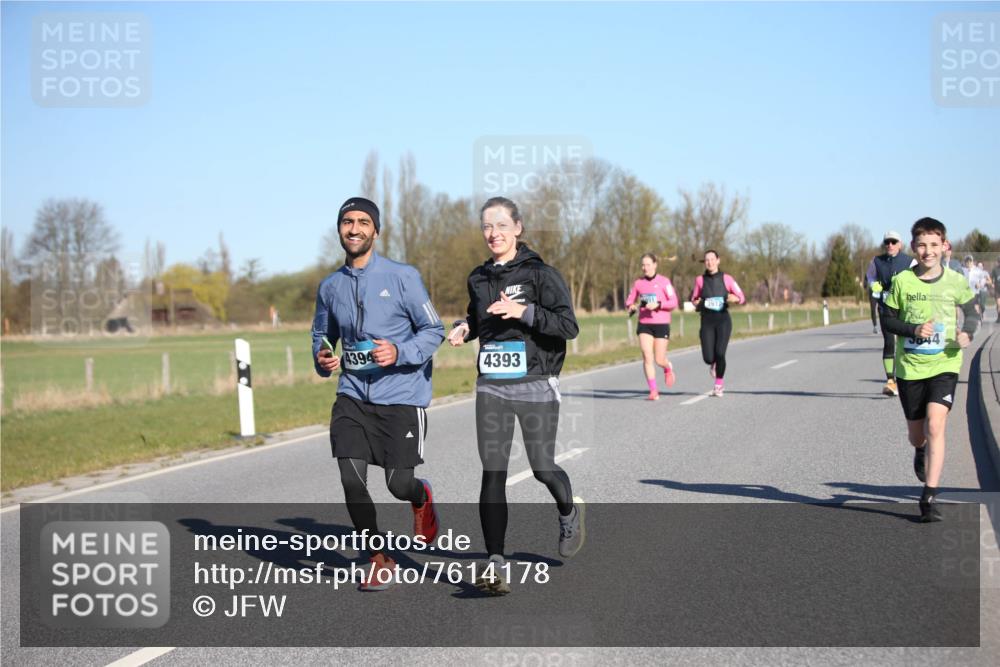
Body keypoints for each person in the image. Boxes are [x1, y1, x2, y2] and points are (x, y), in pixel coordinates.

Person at [448, 196, 584, 596]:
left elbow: (568, 326)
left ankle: (568, 510)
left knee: (542, 467)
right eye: (487, 227)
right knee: (493, 472)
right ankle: (494, 561)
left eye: (501, 226)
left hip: (536, 383)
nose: (493, 233)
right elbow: (478, 317)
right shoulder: (477, 277)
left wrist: (524, 313)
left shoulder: (541, 274)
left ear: (518, 228)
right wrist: (463, 327)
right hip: (492, 385)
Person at [312, 196, 445, 591]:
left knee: (397, 484)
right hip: (352, 395)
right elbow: (322, 335)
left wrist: (399, 351)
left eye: (362, 222)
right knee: (351, 479)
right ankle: (378, 557)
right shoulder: (330, 286)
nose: (354, 229)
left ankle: (420, 498)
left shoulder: (403, 277)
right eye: (347, 222)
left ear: (376, 231)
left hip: (402, 395)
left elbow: (433, 330)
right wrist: (323, 358)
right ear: (339, 229)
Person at [882, 217, 979, 522]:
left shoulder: (955, 281)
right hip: (911, 369)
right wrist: (913, 329)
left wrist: (969, 332)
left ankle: (929, 497)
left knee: (936, 425)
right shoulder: (902, 282)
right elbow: (888, 320)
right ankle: (920, 450)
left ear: (944, 246)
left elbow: (972, 310)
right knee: (917, 434)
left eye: (934, 245)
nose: (928, 251)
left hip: (945, 364)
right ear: (913, 247)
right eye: (922, 245)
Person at [690, 249, 745, 397]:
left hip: (723, 320)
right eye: (707, 260)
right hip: (707, 320)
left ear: (718, 260)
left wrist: (735, 299)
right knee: (708, 358)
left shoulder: (727, 278)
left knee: (720, 353)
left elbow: (741, 297)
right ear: (704, 262)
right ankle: (713, 363)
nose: (710, 262)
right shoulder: (699, 280)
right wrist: (696, 302)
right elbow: (693, 298)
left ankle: (718, 385)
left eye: (712, 259)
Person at [865, 231, 913, 397]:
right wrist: (874, 285)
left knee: (904, 343)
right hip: (885, 306)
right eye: (887, 242)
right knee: (889, 342)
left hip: (905, 308)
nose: (890, 245)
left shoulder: (909, 261)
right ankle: (891, 381)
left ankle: (906, 378)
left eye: (893, 242)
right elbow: (870, 277)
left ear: (900, 244)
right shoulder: (877, 261)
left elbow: (919, 279)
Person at [625, 253, 680, 400]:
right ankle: (653, 391)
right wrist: (631, 306)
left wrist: (659, 305)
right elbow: (630, 300)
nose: (645, 268)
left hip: (661, 324)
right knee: (647, 355)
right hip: (644, 324)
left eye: (648, 264)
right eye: (643, 265)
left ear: (655, 265)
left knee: (659, 359)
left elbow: (674, 302)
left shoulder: (664, 282)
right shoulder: (638, 283)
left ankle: (667, 367)